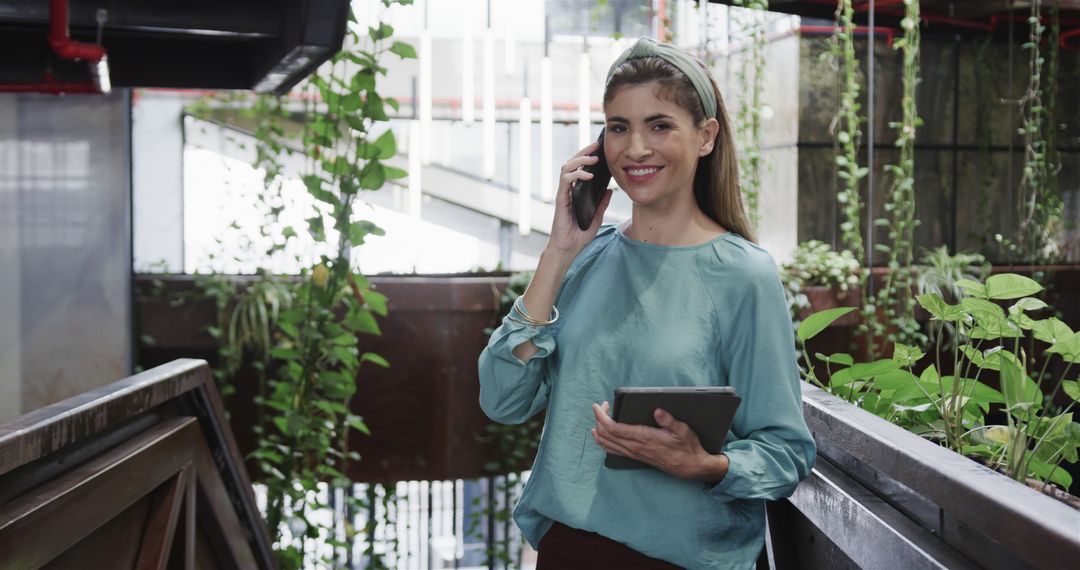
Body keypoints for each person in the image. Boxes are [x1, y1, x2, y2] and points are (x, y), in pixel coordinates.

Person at [477, 37, 815, 570]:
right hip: (569, 551)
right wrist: (558, 252)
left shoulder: (743, 275)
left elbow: (785, 453)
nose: (634, 148)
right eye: (618, 127)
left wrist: (705, 464)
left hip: (682, 560)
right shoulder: (585, 259)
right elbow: (503, 399)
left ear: (706, 136)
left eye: (659, 125)